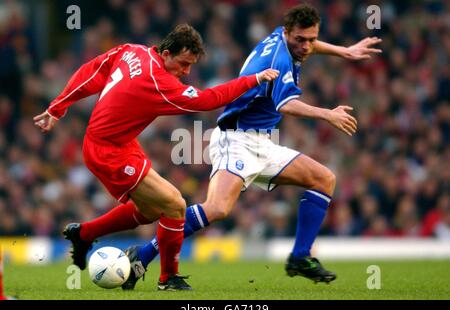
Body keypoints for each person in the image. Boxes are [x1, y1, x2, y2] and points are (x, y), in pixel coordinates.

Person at [116, 3, 382, 290]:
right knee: (217, 209)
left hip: (263, 142)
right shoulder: (279, 61)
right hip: (237, 139)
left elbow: (309, 46)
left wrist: (344, 51)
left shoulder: (284, 39)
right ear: (287, 33)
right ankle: (141, 256)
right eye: (300, 40)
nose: (306, 47)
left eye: (311, 39)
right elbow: (286, 104)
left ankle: (300, 257)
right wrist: (327, 114)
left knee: (323, 179)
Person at [33, 24, 279, 291]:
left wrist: (58, 107)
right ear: (165, 53)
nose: (185, 72)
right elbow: (209, 99)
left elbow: (91, 71)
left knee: (150, 210)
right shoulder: (160, 84)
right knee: (175, 205)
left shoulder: (131, 51)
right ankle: (168, 279)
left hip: (120, 143)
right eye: (183, 64)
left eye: (190, 66)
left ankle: (84, 234)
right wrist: (253, 80)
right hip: (107, 152)